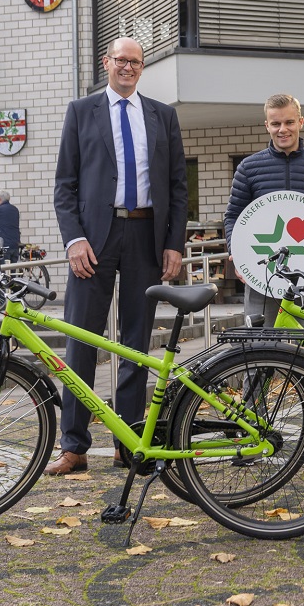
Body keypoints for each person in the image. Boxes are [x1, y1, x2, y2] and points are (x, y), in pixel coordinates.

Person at [47, 37, 188, 475]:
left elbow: (178, 188)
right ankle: (74, 445)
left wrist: (174, 244)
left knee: (136, 342)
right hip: (95, 239)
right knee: (82, 339)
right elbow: (64, 186)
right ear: (106, 62)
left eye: (136, 62)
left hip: (146, 235)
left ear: (142, 68)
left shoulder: (162, 116)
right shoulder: (80, 111)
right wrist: (74, 241)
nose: (128, 67)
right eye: (121, 60)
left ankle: (128, 440)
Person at [223, 93, 304, 467]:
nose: (283, 129)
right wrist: (237, 247)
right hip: (261, 278)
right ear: (267, 125)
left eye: (289, 122)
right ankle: (252, 435)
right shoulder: (249, 168)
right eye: (276, 123)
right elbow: (234, 217)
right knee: (254, 359)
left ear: (300, 121)